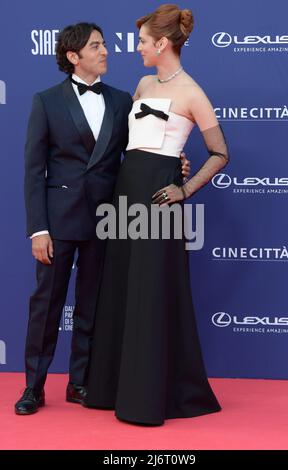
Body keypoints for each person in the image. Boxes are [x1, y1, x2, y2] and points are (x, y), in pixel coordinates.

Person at [15, 21, 189, 415]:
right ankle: (33, 387)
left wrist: (173, 161)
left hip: (107, 220)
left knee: (93, 305)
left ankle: (80, 382)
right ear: (74, 56)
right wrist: (38, 229)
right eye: (96, 46)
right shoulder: (46, 101)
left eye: (104, 44)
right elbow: (32, 170)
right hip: (58, 222)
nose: (106, 51)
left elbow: (142, 150)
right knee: (47, 306)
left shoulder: (121, 100)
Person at [84, 5, 229, 426]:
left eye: (144, 42)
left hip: (159, 201)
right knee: (123, 287)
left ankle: (148, 398)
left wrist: (183, 184)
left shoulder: (193, 93)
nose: (138, 48)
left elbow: (221, 153)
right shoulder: (145, 82)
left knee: (151, 292)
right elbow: (136, 139)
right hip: (126, 191)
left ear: (162, 43)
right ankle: (111, 389)